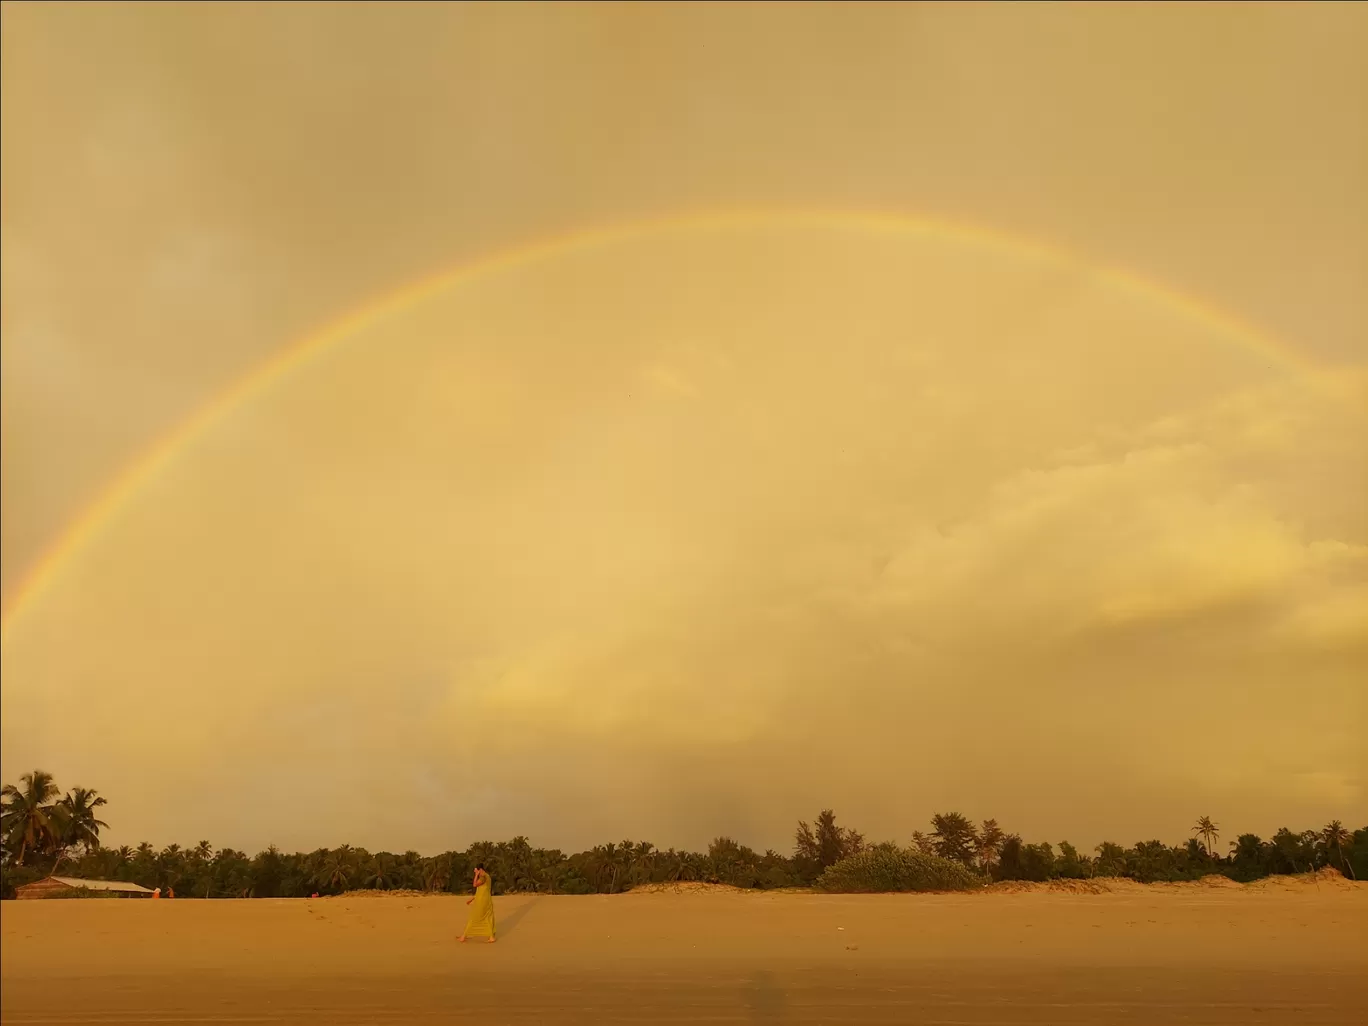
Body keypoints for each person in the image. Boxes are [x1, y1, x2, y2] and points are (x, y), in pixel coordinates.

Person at [459, 863, 496, 943]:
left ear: (480, 870)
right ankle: (491, 936)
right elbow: (482, 891)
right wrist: (472, 899)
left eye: (475, 870)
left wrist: (476, 875)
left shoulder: (483, 877)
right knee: (487, 918)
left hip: (482, 901)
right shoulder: (488, 876)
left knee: (474, 917)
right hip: (487, 900)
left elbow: (475, 884)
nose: (474, 871)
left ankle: (463, 936)